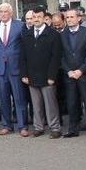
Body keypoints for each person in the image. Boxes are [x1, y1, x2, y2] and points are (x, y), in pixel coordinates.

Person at [20, 7, 63, 138]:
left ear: (45, 18)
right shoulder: (26, 34)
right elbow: (23, 56)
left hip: (47, 76)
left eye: (39, 17)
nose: (36, 19)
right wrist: (24, 74)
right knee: (36, 104)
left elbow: (56, 57)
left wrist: (52, 76)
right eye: (34, 17)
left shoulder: (53, 34)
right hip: (32, 76)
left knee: (50, 104)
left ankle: (55, 128)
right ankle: (38, 127)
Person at [0, 3, 29, 137]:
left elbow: (25, 48)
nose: (2, 14)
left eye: (5, 11)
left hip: (16, 67)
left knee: (19, 98)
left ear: (11, 13)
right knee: (3, 98)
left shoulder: (20, 26)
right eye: (0, 11)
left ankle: (23, 126)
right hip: (0, 68)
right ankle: (6, 125)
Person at [60, 8, 86, 139]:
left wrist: (81, 70)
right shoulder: (62, 34)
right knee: (72, 103)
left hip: (85, 74)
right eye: (67, 18)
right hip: (69, 75)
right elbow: (61, 56)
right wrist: (69, 70)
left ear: (79, 18)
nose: (69, 19)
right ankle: (73, 129)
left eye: (72, 17)